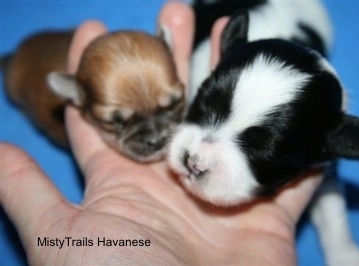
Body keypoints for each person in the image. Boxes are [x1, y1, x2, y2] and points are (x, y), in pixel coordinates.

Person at [0, 2, 323, 264]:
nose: (155, 137)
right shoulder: (66, 106)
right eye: (119, 121)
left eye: (172, 104)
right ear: (76, 100)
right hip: (21, 69)